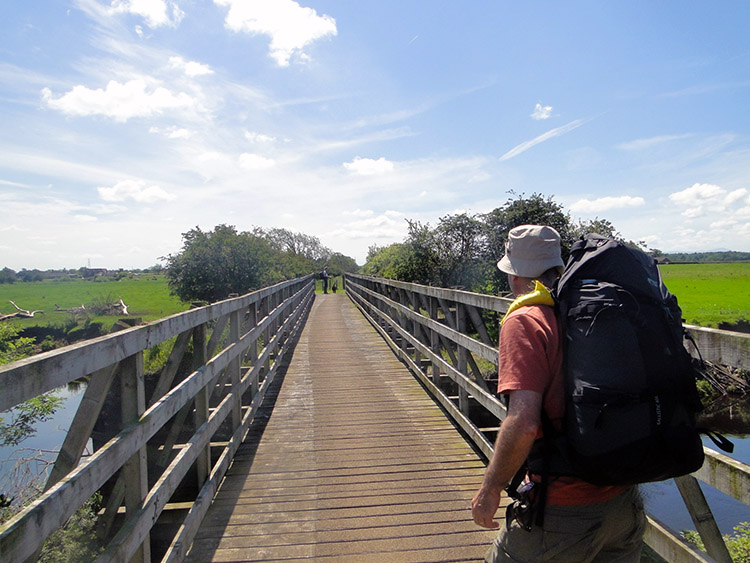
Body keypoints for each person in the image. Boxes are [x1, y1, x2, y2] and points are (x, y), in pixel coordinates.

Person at [471, 225, 645, 563]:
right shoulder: (599, 307)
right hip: (624, 502)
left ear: (513, 275)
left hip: (563, 507)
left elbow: (522, 422)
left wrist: (491, 488)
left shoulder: (527, 320)